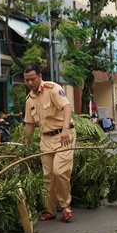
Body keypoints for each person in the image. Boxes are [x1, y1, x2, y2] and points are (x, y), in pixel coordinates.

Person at [22, 64, 75, 223]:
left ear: (39, 76)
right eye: (26, 80)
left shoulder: (53, 89)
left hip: (64, 136)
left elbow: (66, 107)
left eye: (32, 79)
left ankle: (65, 206)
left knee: (60, 172)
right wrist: (27, 144)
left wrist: (65, 129)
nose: (30, 83)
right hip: (45, 139)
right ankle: (50, 211)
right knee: (48, 176)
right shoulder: (29, 99)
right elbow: (29, 124)